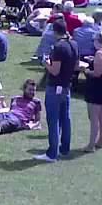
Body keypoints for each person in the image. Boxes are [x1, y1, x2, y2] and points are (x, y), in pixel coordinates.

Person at [35, 19, 78, 162]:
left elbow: (54, 70)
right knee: (65, 118)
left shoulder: (58, 47)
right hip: (67, 85)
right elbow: (76, 65)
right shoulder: (74, 44)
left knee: (53, 120)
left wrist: (46, 62)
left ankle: (52, 153)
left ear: (54, 31)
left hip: (55, 87)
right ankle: (64, 148)